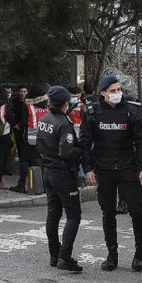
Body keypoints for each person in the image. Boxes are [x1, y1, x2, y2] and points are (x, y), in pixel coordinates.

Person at [80, 74, 142, 272]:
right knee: (108, 212)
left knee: (137, 212)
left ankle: (140, 253)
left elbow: (141, 141)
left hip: (129, 168)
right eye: (112, 91)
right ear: (103, 93)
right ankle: (112, 254)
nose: (117, 94)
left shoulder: (131, 111)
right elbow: (85, 142)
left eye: (119, 90)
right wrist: (88, 168)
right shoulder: (92, 112)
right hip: (104, 169)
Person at [37, 85, 87, 272]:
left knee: (53, 214)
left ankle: (54, 255)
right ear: (65, 103)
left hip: (48, 171)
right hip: (63, 174)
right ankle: (64, 257)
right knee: (74, 215)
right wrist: (80, 149)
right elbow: (66, 151)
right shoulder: (63, 123)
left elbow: (40, 145)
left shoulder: (44, 119)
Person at [8, 85, 39, 193]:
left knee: (24, 160)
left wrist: (19, 126)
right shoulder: (43, 105)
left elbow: (25, 120)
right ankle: (38, 184)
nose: (23, 93)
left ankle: (22, 184)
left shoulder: (28, 105)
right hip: (39, 137)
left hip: (27, 135)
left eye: (25, 91)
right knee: (36, 160)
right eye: (21, 91)